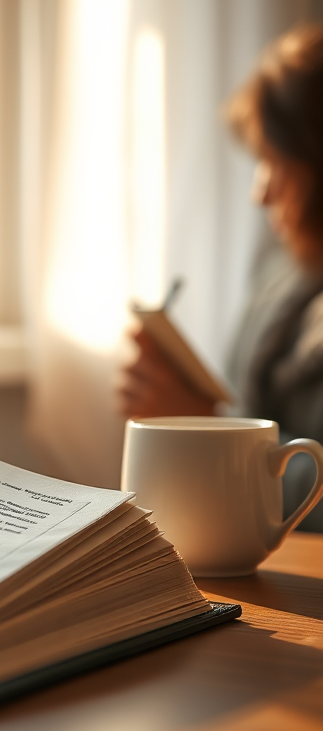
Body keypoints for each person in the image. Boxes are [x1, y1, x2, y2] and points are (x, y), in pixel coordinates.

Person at [118, 23, 323, 530]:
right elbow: (244, 409)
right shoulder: (282, 281)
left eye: (275, 162)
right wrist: (190, 410)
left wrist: (209, 431)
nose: (261, 193)